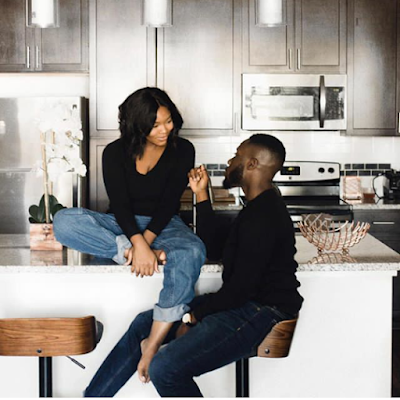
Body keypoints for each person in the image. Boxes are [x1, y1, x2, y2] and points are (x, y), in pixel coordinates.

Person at [83, 133, 304, 397]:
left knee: (165, 368)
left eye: (237, 155)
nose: (230, 161)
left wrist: (192, 318)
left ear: (252, 164)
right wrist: (201, 194)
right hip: (244, 303)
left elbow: (240, 290)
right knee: (145, 324)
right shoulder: (257, 206)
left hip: (262, 310)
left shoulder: (264, 216)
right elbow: (215, 248)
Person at [53, 87, 206, 380]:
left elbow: (168, 204)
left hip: (166, 225)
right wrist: (137, 247)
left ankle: (152, 343)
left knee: (193, 251)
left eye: (168, 121)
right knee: (64, 222)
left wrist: (144, 245)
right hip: (120, 224)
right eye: (155, 125)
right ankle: (127, 251)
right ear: (137, 124)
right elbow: (120, 205)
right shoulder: (114, 152)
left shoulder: (183, 149)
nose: (164, 130)